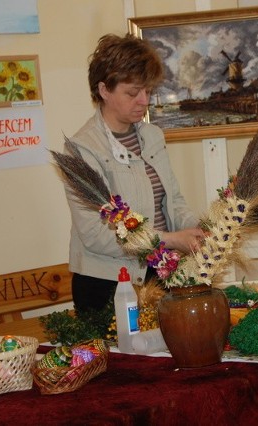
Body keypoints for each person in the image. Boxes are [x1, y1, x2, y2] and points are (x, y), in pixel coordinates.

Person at [65, 34, 204, 312]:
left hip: (160, 274)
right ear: (104, 90)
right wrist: (172, 239)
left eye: (148, 91)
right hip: (107, 285)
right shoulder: (81, 149)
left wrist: (199, 231)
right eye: (132, 93)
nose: (144, 101)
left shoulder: (153, 136)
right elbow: (97, 234)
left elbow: (172, 200)